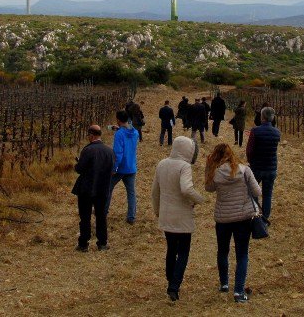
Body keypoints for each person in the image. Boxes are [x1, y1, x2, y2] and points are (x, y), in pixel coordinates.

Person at [205, 143, 261, 303]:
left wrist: (208, 168)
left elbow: (208, 188)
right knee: (242, 254)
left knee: (223, 251)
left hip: (223, 218)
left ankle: (224, 284)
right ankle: (238, 291)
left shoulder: (216, 173)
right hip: (243, 218)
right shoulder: (244, 170)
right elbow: (257, 191)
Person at [152, 136, 205, 301]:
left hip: (167, 215)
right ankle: (174, 286)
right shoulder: (184, 166)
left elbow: (155, 191)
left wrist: (157, 211)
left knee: (171, 249)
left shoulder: (162, 164)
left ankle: (170, 279)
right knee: (183, 252)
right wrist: (200, 199)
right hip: (182, 215)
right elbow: (186, 189)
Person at [72, 125, 115, 251]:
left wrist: (77, 164)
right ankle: (102, 243)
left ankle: (83, 244)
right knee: (101, 216)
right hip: (103, 189)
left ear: (91, 135)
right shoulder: (110, 151)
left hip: (86, 189)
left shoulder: (88, 150)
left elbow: (79, 169)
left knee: (85, 217)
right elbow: (112, 169)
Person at [245, 107, 280, 222]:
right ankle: (265, 218)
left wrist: (251, 162)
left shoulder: (255, 131)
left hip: (257, 167)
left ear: (262, 117)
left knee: (252, 191)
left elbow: (249, 150)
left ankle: (255, 214)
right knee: (268, 194)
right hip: (271, 168)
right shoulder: (277, 132)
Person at [106, 110, 140, 224]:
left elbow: (118, 154)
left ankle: (103, 211)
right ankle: (131, 217)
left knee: (108, 189)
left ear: (118, 120)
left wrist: (114, 168)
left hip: (120, 168)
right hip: (131, 167)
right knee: (131, 193)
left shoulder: (119, 134)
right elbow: (129, 129)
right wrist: (120, 127)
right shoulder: (135, 132)